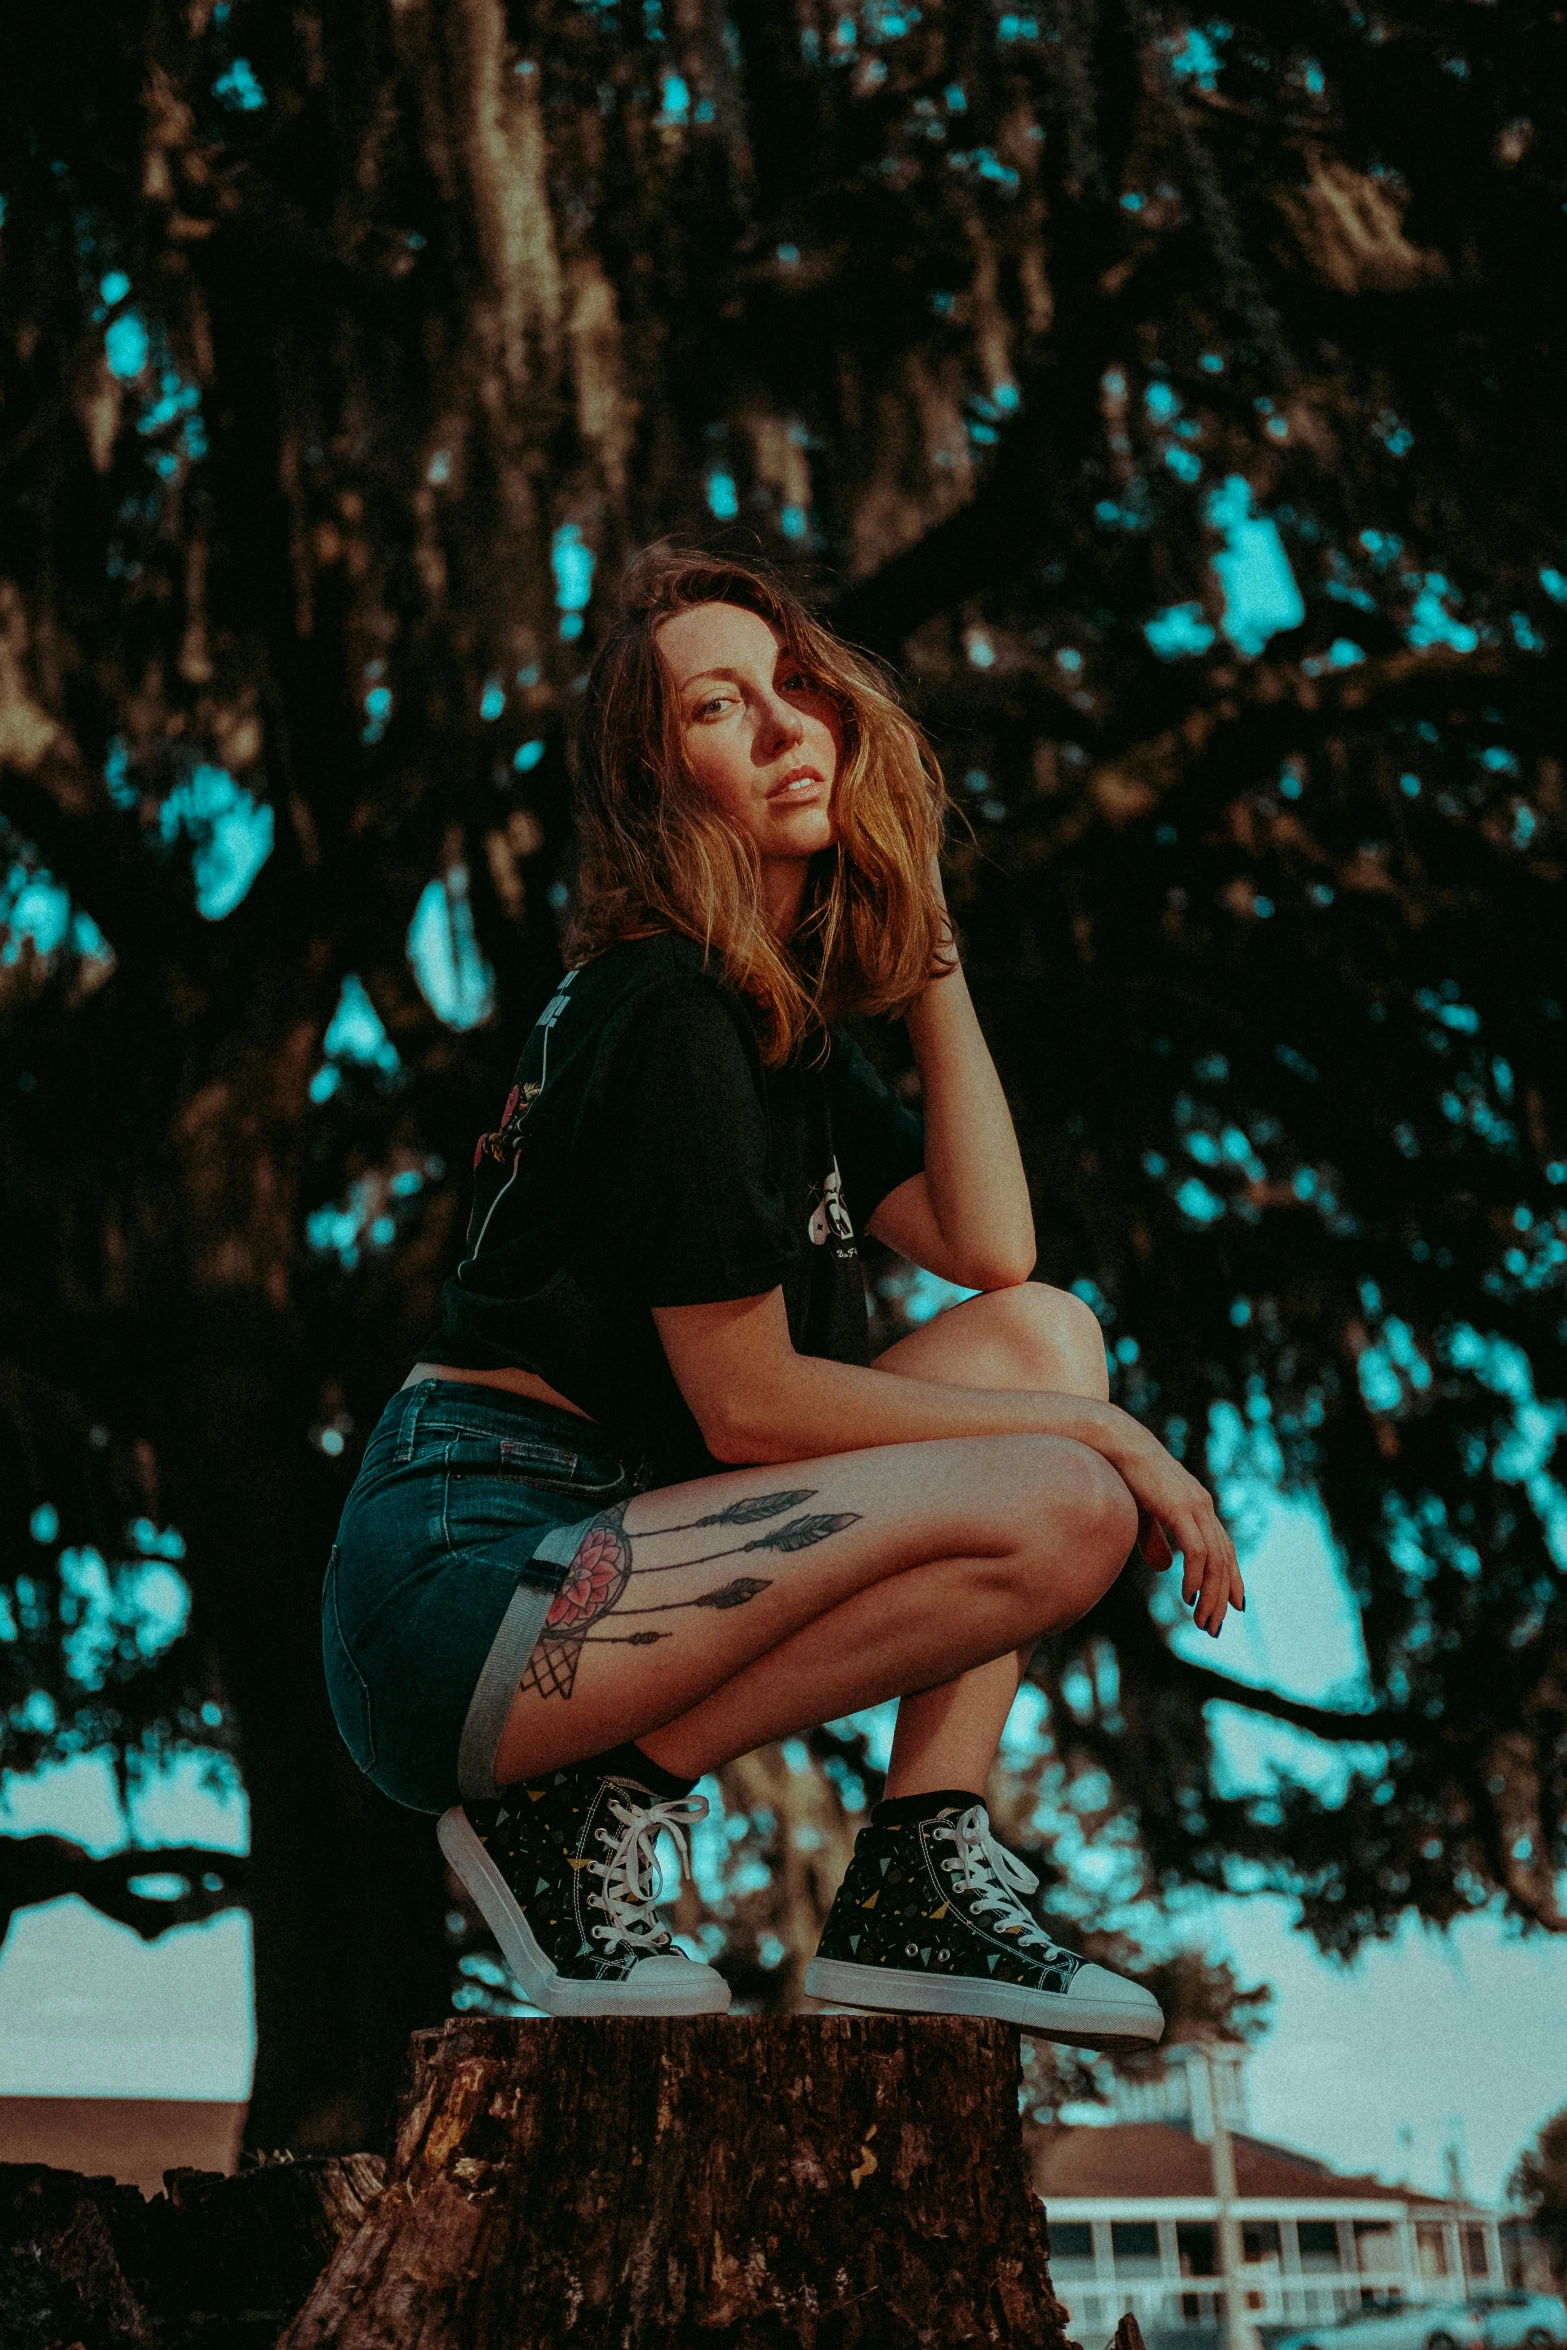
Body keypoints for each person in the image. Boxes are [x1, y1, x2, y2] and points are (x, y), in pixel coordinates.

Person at [323, 546, 1244, 2044]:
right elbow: (748, 1410)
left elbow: (989, 1248)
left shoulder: (770, 1020)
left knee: (1049, 1338)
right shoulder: (672, 1006)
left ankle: (915, 1871)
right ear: (654, 776)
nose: (783, 726)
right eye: (719, 705)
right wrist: (1126, 1450)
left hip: (614, 1533)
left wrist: (919, 908)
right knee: (1070, 1493)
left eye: (799, 686)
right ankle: (577, 1820)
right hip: (464, 1582)